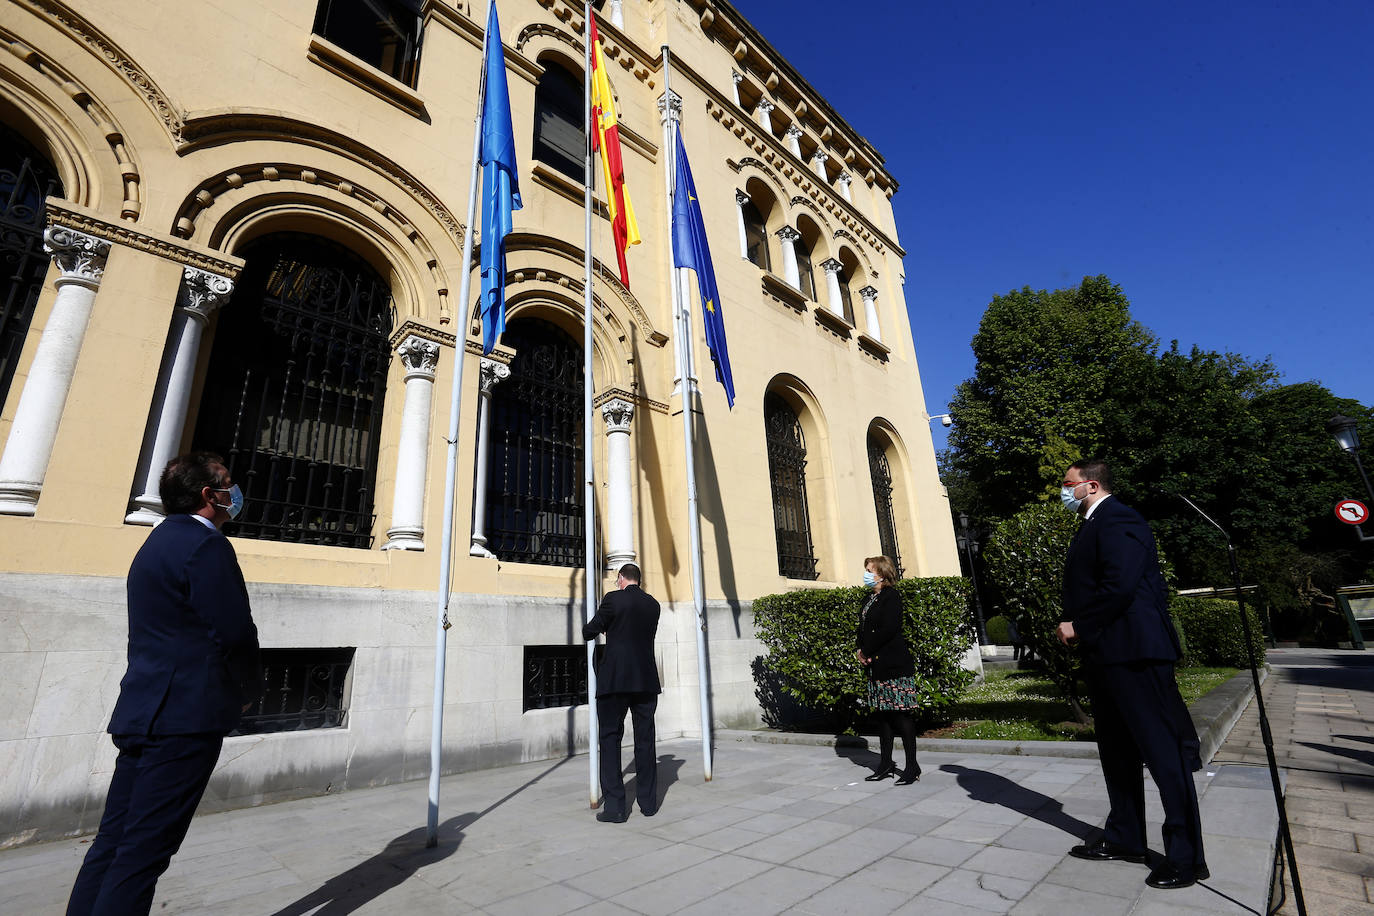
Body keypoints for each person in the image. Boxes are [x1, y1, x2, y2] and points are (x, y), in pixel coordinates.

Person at [67, 453, 261, 915]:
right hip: (183, 718)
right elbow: (234, 631)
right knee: (144, 853)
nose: (234, 493)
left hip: (144, 711)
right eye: (227, 484)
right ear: (208, 495)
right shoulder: (207, 546)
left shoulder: (156, 543)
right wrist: (250, 690)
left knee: (113, 843)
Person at [1056, 458, 1207, 890]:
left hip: (1136, 653)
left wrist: (1079, 625)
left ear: (1091, 484)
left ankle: (1185, 857)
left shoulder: (1120, 517)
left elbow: (1120, 585)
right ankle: (1125, 837)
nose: (1062, 491)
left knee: (1163, 754)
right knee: (1117, 752)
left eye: (1067, 484)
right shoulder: (1090, 523)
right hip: (1107, 654)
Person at [582, 562, 661, 823]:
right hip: (646, 680)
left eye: (618, 580)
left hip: (615, 680)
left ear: (620, 578)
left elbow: (589, 630)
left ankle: (616, 807)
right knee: (646, 741)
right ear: (639, 579)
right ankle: (649, 804)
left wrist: (606, 627)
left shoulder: (613, 599)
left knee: (610, 739)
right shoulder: (653, 605)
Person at [856, 555, 921, 785]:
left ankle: (912, 766)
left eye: (869, 569)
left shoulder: (891, 596)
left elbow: (888, 629)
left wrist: (868, 650)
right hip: (876, 667)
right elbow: (862, 629)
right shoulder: (868, 599)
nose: (865, 573)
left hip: (894, 666)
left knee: (901, 716)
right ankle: (885, 764)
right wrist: (860, 650)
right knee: (882, 717)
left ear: (882, 574)